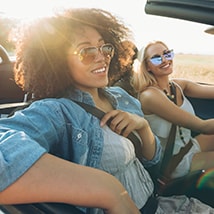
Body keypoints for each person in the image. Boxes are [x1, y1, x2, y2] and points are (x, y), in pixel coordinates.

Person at [0, 9, 213, 214]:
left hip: (160, 204)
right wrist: (107, 190)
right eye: (86, 51)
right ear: (58, 61)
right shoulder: (58, 111)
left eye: (104, 48)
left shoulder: (121, 97)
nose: (101, 57)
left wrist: (144, 128)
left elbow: (153, 162)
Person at [133, 40, 214, 179]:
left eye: (167, 54)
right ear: (147, 66)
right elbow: (203, 126)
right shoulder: (150, 96)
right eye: (157, 58)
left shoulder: (176, 86)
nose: (165, 60)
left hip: (189, 146)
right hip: (174, 163)